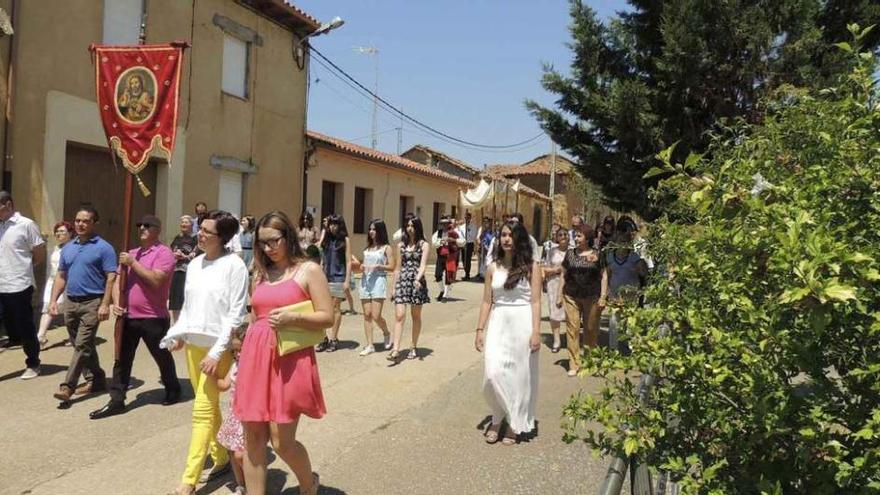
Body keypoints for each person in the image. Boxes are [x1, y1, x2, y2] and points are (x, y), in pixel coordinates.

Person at [235, 210, 333, 495]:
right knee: (253, 438)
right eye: (262, 243)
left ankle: (308, 485)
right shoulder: (260, 273)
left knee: (281, 442)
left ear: (288, 236)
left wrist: (294, 319)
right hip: (255, 359)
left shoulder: (309, 270)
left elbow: (327, 316)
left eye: (274, 241)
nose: (268, 248)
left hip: (290, 360)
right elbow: (255, 318)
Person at [161, 210, 249, 495]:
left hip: (216, 349)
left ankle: (190, 479)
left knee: (201, 410)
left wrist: (217, 352)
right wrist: (179, 335)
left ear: (222, 237)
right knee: (208, 408)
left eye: (207, 232)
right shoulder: (196, 263)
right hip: (194, 345)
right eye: (201, 229)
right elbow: (189, 306)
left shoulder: (234, 266)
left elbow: (235, 314)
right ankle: (222, 457)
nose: (200, 234)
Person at [89, 214, 182, 419]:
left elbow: (156, 279)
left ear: (158, 229)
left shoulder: (163, 253)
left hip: (153, 316)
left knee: (161, 356)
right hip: (129, 316)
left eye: (147, 225)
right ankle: (117, 399)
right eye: (139, 225)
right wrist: (117, 302)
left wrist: (134, 263)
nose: (142, 228)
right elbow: (116, 280)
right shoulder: (131, 253)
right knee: (121, 359)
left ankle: (172, 387)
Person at [474, 221, 541, 445]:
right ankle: (497, 414)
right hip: (498, 322)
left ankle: (513, 422)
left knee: (519, 376)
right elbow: (486, 301)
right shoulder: (493, 267)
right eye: (503, 234)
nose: (506, 239)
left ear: (519, 239)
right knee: (492, 374)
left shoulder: (532, 267)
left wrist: (536, 332)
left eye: (511, 235)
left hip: (522, 323)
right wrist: (479, 329)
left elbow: (536, 302)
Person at [50, 205, 116, 400]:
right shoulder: (68, 247)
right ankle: (97, 378)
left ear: (94, 223)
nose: (80, 224)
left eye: (86, 221)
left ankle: (67, 386)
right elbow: (61, 275)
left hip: (92, 302)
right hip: (71, 301)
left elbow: (111, 277)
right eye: (78, 220)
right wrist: (54, 300)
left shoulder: (104, 248)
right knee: (83, 345)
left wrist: (105, 304)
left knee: (81, 345)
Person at [0, 191, 46, 379]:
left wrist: (23, 267)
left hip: (19, 284)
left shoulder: (26, 225)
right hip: (0, 284)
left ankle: (33, 363)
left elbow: (39, 254)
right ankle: (14, 339)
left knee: (25, 324)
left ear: (8, 204)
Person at [557, 224, 607, 377]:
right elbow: (563, 275)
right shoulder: (570, 254)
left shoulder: (598, 254)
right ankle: (574, 363)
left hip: (592, 297)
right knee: (572, 329)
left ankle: (590, 360)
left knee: (591, 329)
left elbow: (604, 275)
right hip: (571, 295)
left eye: (579, 236)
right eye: (576, 236)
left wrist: (603, 296)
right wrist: (559, 294)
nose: (576, 238)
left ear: (587, 238)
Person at [389, 216, 430, 361]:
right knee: (399, 315)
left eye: (412, 225)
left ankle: (413, 346)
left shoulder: (423, 245)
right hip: (402, 281)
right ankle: (395, 349)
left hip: (416, 282)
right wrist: (393, 287)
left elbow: (423, 265)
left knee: (415, 316)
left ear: (417, 227)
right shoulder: (400, 245)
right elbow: (397, 268)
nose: (409, 228)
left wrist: (418, 279)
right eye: (407, 225)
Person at [605, 225, 648, 351]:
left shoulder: (634, 257)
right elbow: (607, 275)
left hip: (631, 296)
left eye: (625, 242)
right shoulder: (610, 257)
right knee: (614, 322)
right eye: (620, 242)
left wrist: (641, 266)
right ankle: (613, 349)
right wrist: (606, 292)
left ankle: (633, 348)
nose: (622, 244)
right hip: (615, 296)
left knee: (631, 322)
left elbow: (643, 273)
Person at [215, 327, 246, 495]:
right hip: (234, 417)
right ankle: (241, 485)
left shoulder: (254, 367)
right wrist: (212, 375)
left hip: (248, 418)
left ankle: (253, 483)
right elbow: (224, 385)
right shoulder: (235, 365)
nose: (238, 354)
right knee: (233, 454)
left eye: (242, 349)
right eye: (235, 350)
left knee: (242, 455)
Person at [357, 219, 394, 356]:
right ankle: (370, 345)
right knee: (367, 314)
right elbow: (364, 265)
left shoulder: (386, 248)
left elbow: (392, 266)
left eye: (374, 229)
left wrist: (379, 266)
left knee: (376, 315)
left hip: (378, 280)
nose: (371, 232)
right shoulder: (367, 249)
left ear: (380, 231)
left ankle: (386, 333)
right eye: (370, 229)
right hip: (365, 281)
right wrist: (361, 267)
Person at [316, 214, 350, 352]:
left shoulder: (345, 240)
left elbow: (348, 261)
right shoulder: (326, 240)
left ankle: (334, 339)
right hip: (325, 277)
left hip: (338, 277)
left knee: (336, 308)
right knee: (322, 308)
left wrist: (347, 280)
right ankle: (323, 338)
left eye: (335, 224)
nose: (332, 226)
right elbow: (321, 256)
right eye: (330, 224)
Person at [37, 221, 72, 350]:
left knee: (69, 311)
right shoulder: (57, 247)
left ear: (70, 233)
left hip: (67, 282)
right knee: (48, 308)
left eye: (62, 231)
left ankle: (74, 336)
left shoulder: (73, 247)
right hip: (52, 282)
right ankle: (40, 337)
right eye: (57, 231)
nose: (59, 234)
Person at [541, 227, 569, 353]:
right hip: (554, 283)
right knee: (554, 312)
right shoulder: (552, 251)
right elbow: (544, 268)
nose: (563, 236)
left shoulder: (572, 252)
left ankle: (570, 340)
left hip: (569, 284)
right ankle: (556, 340)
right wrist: (555, 270)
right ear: (556, 238)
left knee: (570, 312)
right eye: (560, 235)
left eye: (565, 234)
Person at [170, 215, 198, 325]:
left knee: (187, 300)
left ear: (191, 225)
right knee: (175, 302)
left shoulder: (196, 239)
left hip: (189, 273)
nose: (183, 224)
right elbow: (170, 251)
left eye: (186, 222)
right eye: (182, 222)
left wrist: (185, 256)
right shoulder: (177, 238)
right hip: (176, 271)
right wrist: (174, 255)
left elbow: (197, 254)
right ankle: (176, 326)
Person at [432, 217, 463, 301]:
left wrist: (453, 240)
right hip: (441, 256)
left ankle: (445, 294)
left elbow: (463, 241)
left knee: (448, 276)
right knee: (437, 274)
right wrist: (440, 242)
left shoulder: (454, 232)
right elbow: (433, 243)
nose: (445, 225)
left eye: (446, 223)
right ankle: (442, 290)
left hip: (450, 256)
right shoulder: (438, 233)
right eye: (443, 224)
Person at [459, 212, 478, 280]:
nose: (467, 219)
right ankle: (465, 270)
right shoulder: (461, 227)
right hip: (463, 244)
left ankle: (467, 274)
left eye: (468, 218)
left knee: (468, 260)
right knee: (464, 259)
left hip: (470, 244)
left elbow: (473, 237)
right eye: (465, 218)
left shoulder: (473, 226)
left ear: (470, 218)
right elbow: (460, 235)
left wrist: (468, 230)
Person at [476, 217, 494, 281]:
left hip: (490, 247)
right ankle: (483, 274)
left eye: (488, 222)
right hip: (484, 248)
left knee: (489, 260)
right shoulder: (482, 230)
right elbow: (479, 238)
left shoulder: (492, 230)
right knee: (483, 261)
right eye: (485, 222)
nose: (487, 223)